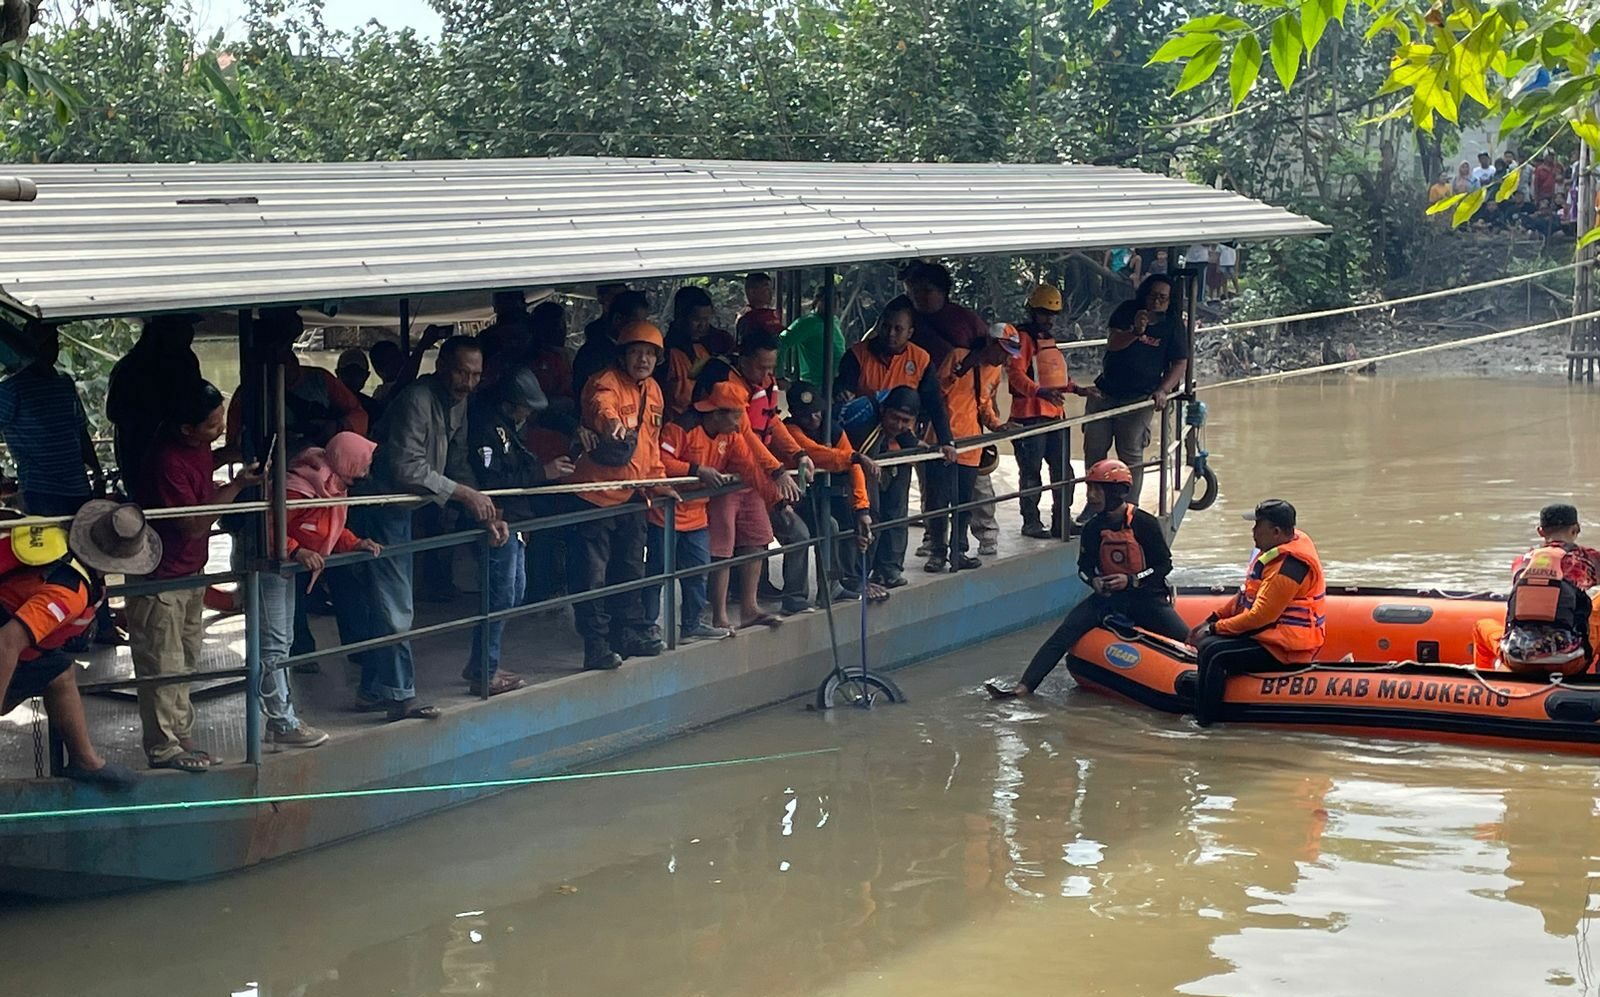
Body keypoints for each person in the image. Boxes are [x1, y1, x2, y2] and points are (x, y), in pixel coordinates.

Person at [346, 336, 505, 720]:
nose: (468, 382)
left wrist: (484, 510)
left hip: (406, 506)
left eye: (476, 375)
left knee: (388, 598)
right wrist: (464, 495)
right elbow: (405, 468)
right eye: (462, 372)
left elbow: (458, 462)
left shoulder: (459, 402)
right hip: (382, 505)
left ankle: (375, 689)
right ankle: (399, 695)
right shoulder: (418, 399)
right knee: (395, 599)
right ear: (442, 368)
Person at [128, 380, 262, 771]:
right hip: (160, 577)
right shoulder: (166, 461)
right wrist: (237, 485)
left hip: (190, 571)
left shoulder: (195, 446)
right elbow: (192, 525)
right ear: (185, 428)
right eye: (211, 426)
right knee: (161, 662)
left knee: (185, 658)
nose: (218, 429)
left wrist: (232, 453)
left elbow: (205, 463)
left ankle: (181, 734)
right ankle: (163, 747)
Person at [985, 459, 1187, 699]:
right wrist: (1094, 582)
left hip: (1146, 598)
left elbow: (1164, 565)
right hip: (1108, 600)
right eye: (1090, 488)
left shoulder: (1145, 524)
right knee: (1061, 636)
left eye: (1097, 489)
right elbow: (1083, 568)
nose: (1091, 496)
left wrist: (1132, 580)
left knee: (1185, 638)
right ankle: (1022, 688)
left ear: (1115, 493)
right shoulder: (1092, 528)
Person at [0, 501, 166, 787]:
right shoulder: (70, 592)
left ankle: (85, 760)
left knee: (60, 673)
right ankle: (86, 761)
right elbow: (7, 643)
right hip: (6, 634)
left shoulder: (58, 544)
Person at [560, 320, 678, 670]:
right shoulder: (604, 382)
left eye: (650, 354)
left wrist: (659, 483)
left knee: (630, 568)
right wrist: (610, 424)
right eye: (636, 352)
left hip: (632, 496)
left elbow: (651, 446)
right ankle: (595, 645)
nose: (643, 359)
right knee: (590, 575)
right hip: (594, 496)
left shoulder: (654, 390)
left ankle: (627, 633)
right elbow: (601, 406)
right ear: (623, 355)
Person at [265, 432, 384, 747]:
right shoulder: (301, 487)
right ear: (349, 460)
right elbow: (268, 525)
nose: (368, 467)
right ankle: (282, 722)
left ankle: (277, 717)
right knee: (274, 646)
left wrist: (355, 542)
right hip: (271, 569)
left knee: (282, 641)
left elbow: (330, 528)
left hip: (287, 570)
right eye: (364, 460)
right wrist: (295, 550)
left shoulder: (331, 485)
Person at [464, 368, 574, 694]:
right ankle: (485, 669)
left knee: (513, 593)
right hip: (498, 518)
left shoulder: (510, 428)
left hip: (516, 518)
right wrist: (544, 471)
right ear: (512, 403)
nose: (528, 413)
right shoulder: (487, 428)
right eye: (525, 406)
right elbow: (493, 479)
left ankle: (482, 663)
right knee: (498, 596)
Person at [649, 379, 776, 639]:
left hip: (696, 515)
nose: (741, 420)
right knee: (656, 575)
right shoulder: (681, 427)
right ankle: (646, 626)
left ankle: (692, 625)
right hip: (665, 513)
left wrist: (778, 499)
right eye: (737, 414)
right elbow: (659, 462)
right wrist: (696, 471)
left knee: (698, 574)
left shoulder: (731, 435)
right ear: (717, 413)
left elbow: (749, 467)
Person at [701, 331, 812, 621]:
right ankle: (719, 615)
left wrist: (798, 453)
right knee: (722, 547)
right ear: (745, 359)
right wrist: (776, 472)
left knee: (758, 537)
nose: (767, 374)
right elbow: (744, 435)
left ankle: (750, 608)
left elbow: (771, 421)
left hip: (753, 478)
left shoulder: (765, 385)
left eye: (771, 368)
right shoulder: (727, 385)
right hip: (727, 478)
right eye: (762, 367)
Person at [1188, 499, 1326, 727]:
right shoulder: (1275, 551)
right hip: (1270, 637)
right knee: (1210, 644)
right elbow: (1245, 597)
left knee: (1214, 652)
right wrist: (1212, 619)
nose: (1253, 531)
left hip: (1286, 649)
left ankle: (1205, 724)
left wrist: (1214, 629)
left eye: (1257, 525)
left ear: (1276, 531)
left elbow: (1260, 616)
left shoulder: (1289, 568)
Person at [1083, 274, 1188, 506]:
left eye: (1163, 297)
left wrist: (1163, 390)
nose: (1157, 301)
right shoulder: (1127, 310)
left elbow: (1180, 362)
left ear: (1170, 301)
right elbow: (1113, 343)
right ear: (1144, 294)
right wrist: (1136, 332)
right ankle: (1094, 505)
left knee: (1131, 454)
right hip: (1106, 392)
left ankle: (1129, 507)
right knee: (1095, 452)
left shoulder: (1172, 324)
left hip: (1139, 399)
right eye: (1153, 295)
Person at [1471, 504, 1600, 677]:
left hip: (1517, 660)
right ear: (1576, 529)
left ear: (1540, 531)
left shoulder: (1521, 562)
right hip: (1570, 662)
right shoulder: (1585, 559)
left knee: (1481, 627)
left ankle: (1489, 680)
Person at [224, 307, 368, 460]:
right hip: (271, 469)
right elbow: (234, 447)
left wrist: (336, 427)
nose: (277, 353)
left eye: (282, 347)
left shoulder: (321, 379)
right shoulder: (247, 394)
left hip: (322, 463)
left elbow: (359, 416)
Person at [1007, 287, 1092, 540]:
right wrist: (1039, 392)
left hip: (1054, 414)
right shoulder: (1022, 339)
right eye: (1044, 313)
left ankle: (1061, 521)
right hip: (1029, 415)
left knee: (1063, 471)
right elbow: (1015, 375)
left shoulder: (1046, 339)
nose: (1049, 319)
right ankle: (1031, 522)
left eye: (1052, 314)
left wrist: (1076, 388)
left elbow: (1052, 375)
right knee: (1031, 472)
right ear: (1033, 311)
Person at [782, 381, 879, 601]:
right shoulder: (789, 430)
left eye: (816, 411)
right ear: (795, 414)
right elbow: (817, 453)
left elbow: (853, 467)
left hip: (810, 497)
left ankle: (832, 584)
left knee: (832, 527)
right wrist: (854, 457)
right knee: (800, 535)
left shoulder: (832, 429)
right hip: (787, 498)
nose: (814, 418)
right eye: (806, 415)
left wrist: (862, 508)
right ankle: (795, 594)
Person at [0, 322, 103, 519]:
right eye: (42, 342)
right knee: (49, 546)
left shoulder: (64, 384)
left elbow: (81, 433)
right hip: (40, 489)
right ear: (27, 347)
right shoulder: (11, 389)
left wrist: (97, 473)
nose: (48, 348)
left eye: (52, 341)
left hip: (78, 486)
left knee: (81, 544)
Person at [924, 333, 1008, 573]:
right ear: (991, 345)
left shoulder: (994, 371)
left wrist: (997, 425)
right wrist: (958, 372)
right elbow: (935, 393)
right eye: (1001, 351)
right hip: (942, 441)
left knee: (964, 503)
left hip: (971, 445)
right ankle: (937, 553)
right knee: (938, 501)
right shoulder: (959, 356)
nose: (1003, 358)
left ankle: (958, 551)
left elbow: (985, 404)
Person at [106, 313, 205, 494]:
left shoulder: (186, 361)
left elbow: (198, 404)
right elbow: (114, 411)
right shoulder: (130, 367)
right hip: (140, 449)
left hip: (181, 447)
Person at [843, 386, 923, 588]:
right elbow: (857, 460)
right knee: (871, 517)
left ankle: (888, 570)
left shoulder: (896, 426)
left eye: (906, 421)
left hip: (884, 462)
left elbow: (905, 436)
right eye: (894, 418)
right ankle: (858, 577)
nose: (899, 424)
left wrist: (917, 444)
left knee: (896, 513)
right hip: (856, 466)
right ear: (883, 411)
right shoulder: (864, 420)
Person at [660, 286, 734, 417]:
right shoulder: (665, 351)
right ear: (680, 317)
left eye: (707, 319)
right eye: (697, 320)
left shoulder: (721, 342)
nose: (703, 325)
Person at [777, 283, 847, 388]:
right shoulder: (808, 322)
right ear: (817, 301)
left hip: (836, 384)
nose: (833, 305)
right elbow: (781, 342)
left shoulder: (834, 320)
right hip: (814, 386)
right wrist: (779, 376)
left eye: (836, 300)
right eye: (827, 300)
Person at [527, 300, 574, 402]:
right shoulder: (537, 359)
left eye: (563, 324)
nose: (563, 329)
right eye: (558, 324)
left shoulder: (569, 354)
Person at [735, 272, 785, 343]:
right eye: (766, 289)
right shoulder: (748, 317)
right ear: (752, 291)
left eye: (771, 289)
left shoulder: (770, 313)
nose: (771, 293)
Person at [336, 348, 381, 422]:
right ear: (338, 373)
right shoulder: (327, 405)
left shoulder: (372, 407)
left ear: (367, 376)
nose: (353, 377)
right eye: (348, 372)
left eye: (358, 373)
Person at [366, 339, 407, 421]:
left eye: (399, 357)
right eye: (393, 360)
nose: (401, 362)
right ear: (379, 370)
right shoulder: (382, 394)